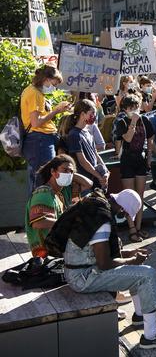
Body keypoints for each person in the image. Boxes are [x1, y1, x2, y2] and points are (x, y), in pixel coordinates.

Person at [61, 189, 156, 348]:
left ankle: (140, 315)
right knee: (147, 274)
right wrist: (131, 260)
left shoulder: (98, 213)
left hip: (79, 272)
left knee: (138, 273)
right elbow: (103, 263)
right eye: (126, 213)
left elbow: (97, 251)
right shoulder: (102, 223)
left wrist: (129, 253)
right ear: (122, 208)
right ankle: (152, 336)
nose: (124, 216)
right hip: (83, 277)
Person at [25, 154, 92, 257]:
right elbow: (39, 222)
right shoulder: (43, 192)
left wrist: (71, 174)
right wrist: (70, 224)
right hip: (46, 253)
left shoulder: (64, 191)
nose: (68, 173)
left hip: (60, 247)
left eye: (71, 171)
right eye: (65, 170)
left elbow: (88, 184)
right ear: (53, 172)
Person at [21, 65, 71, 194]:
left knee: (41, 178)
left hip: (41, 139)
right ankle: (39, 210)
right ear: (46, 79)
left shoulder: (35, 92)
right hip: (40, 140)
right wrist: (56, 111)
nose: (54, 88)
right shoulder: (34, 93)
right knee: (42, 179)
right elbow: (36, 122)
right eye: (54, 84)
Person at [113, 94, 156, 242]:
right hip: (127, 160)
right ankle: (131, 228)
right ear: (125, 109)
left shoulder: (145, 120)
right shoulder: (122, 121)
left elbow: (150, 138)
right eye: (131, 108)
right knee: (128, 196)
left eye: (136, 107)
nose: (135, 110)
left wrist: (149, 155)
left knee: (140, 195)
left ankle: (138, 227)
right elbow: (128, 138)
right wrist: (133, 122)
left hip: (140, 159)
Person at [65, 99, 109, 190]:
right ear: (82, 114)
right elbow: (82, 161)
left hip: (93, 177)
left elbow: (96, 154)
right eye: (92, 113)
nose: (94, 116)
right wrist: (99, 177)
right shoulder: (74, 134)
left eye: (95, 113)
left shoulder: (88, 132)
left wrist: (106, 171)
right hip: (83, 180)